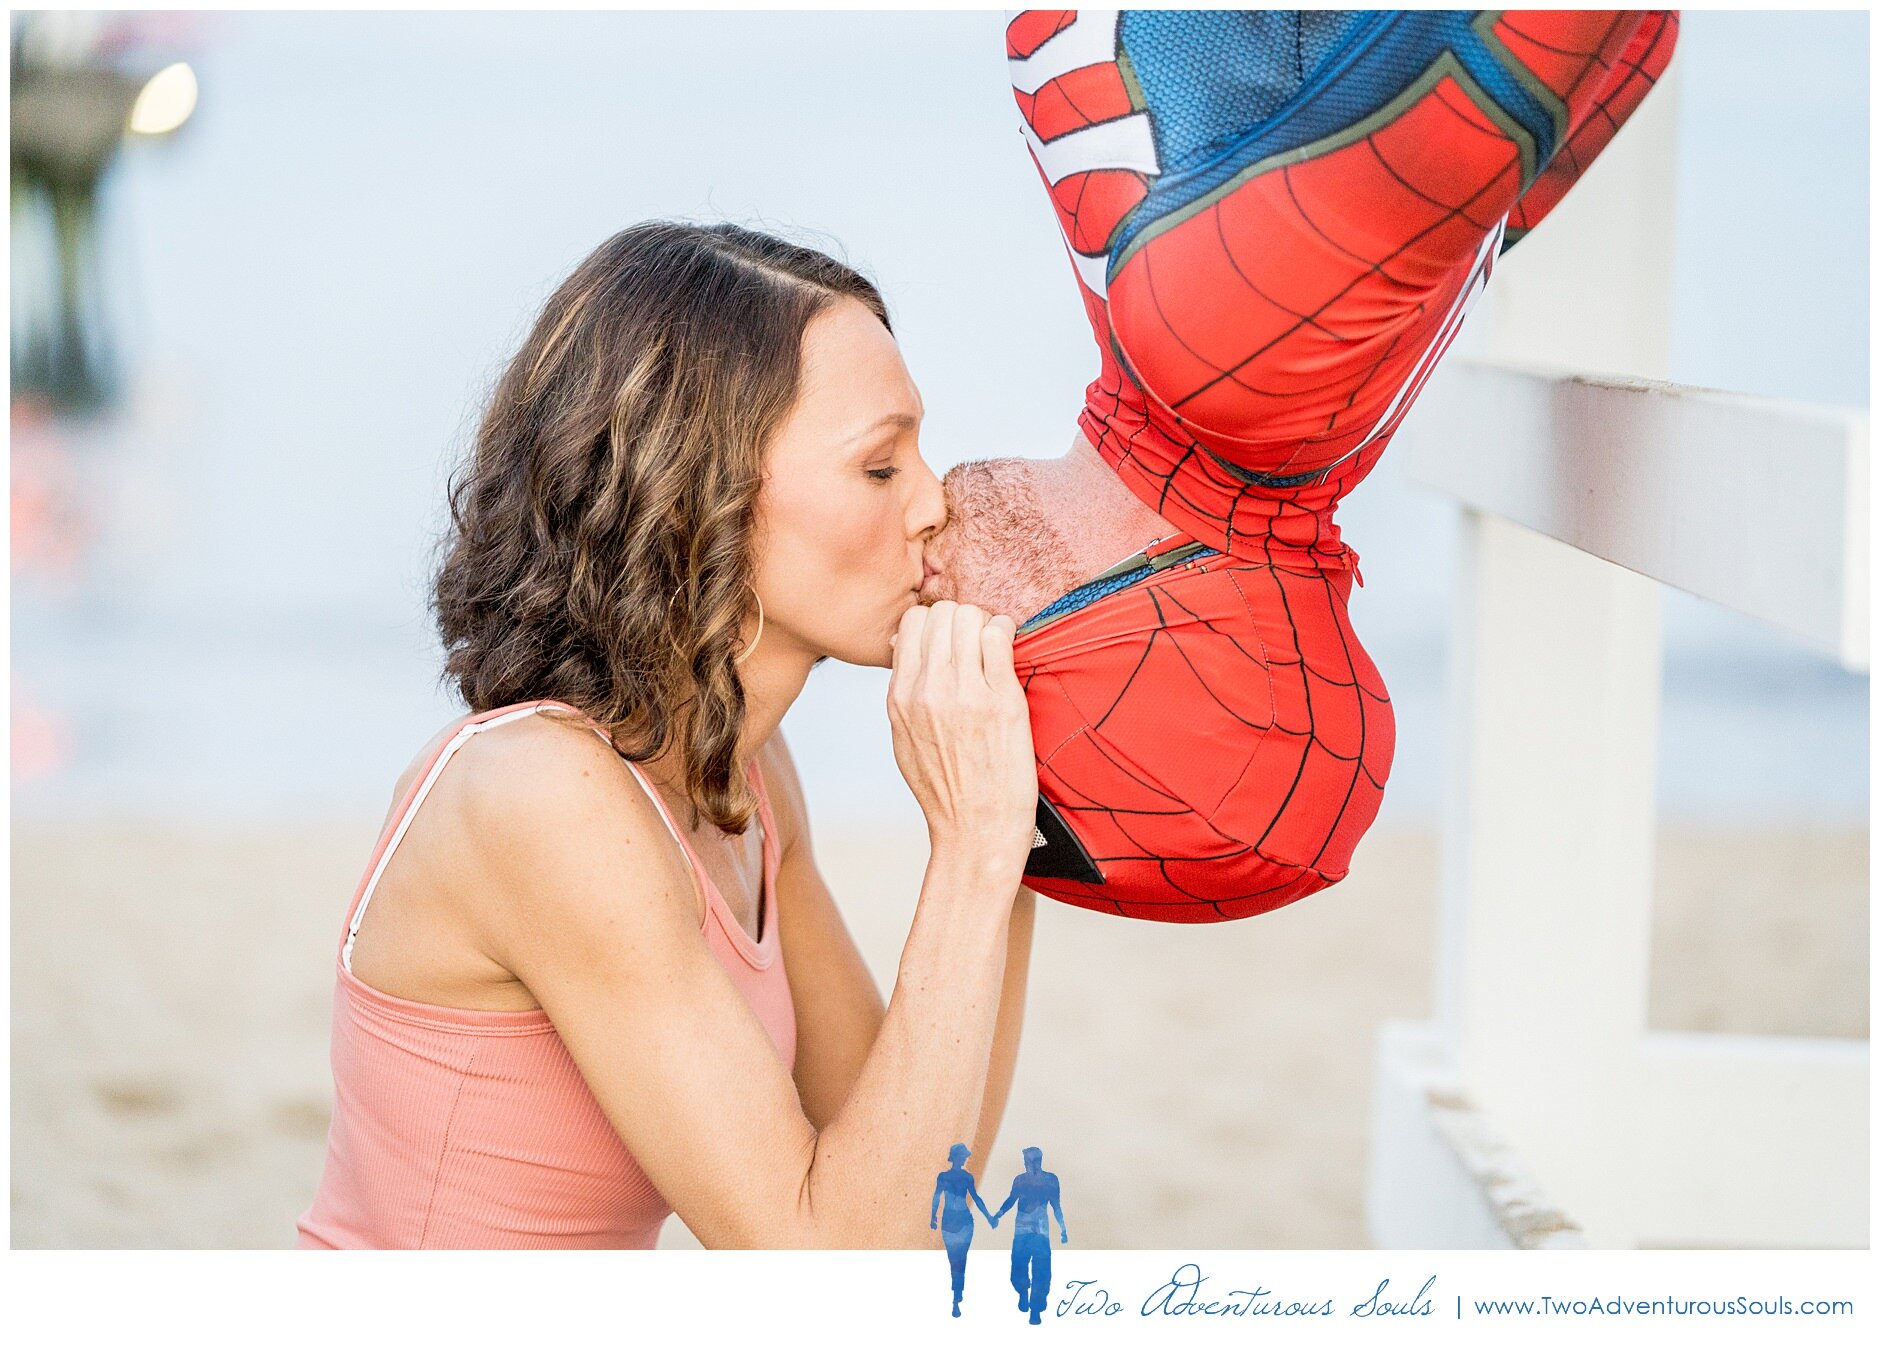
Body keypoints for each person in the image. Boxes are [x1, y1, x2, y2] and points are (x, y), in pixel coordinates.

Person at [295, 222, 1041, 1248]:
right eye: (879, 467)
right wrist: (970, 847)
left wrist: (1022, 839)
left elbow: (913, 1184)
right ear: (700, 490)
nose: (932, 504)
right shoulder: (541, 794)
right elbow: (833, 1264)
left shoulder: (746, 775)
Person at [922, 9, 1681, 921]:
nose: (921, 638)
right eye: (981, 681)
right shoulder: (1234, 366)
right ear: (1126, 645)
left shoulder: (1277, 420)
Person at [990, 1146, 1067, 1324]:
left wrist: (1062, 1228)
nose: (1025, 1164)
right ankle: (1023, 1292)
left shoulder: (1050, 1181)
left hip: (1040, 1232)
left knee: (1041, 1272)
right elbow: (1011, 1199)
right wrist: (998, 1214)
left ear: (1036, 1162)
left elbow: (1056, 1206)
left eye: (1027, 1161)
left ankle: (1036, 1309)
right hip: (1022, 1230)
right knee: (1018, 1267)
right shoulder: (1020, 1181)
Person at [930, 1142, 997, 1315]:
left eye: (964, 1157)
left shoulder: (967, 1177)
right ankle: (954, 1298)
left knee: (960, 1261)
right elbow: (936, 1198)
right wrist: (933, 1217)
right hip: (951, 1221)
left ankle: (956, 1299)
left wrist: (989, 1216)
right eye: (961, 1156)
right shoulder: (943, 1177)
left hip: (964, 1221)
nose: (963, 1159)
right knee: (952, 1259)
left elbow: (975, 1197)